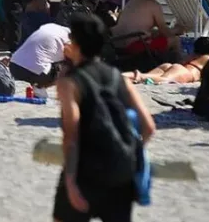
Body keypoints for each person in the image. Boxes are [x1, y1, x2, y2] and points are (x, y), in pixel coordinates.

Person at [55, 12, 155, 222]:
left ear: (76, 44)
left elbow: (71, 136)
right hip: (121, 174)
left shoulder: (69, 83)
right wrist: (128, 152)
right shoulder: (120, 78)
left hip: (86, 172)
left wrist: (70, 182)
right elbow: (148, 127)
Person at [113, 0, 180, 61]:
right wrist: (176, 30)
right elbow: (164, 31)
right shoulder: (154, 5)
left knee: (155, 33)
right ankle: (178, 65)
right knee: (175, 40)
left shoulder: (132, 1)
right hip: (133, 45)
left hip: (117, 43)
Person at [125, 37, 209, 84]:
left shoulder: (192, 56)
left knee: (145, 75)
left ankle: (122, 76)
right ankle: (134, 77)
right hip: (187, 73)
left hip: (174, 66)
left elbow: (182, 61)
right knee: (163, 80)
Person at [9, 22, 70, 87]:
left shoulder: (50, 27)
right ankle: (40, 87)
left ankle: (37, 85)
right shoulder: (69, 39)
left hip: (14, 66)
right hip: (37, 73)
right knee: (66, 67)